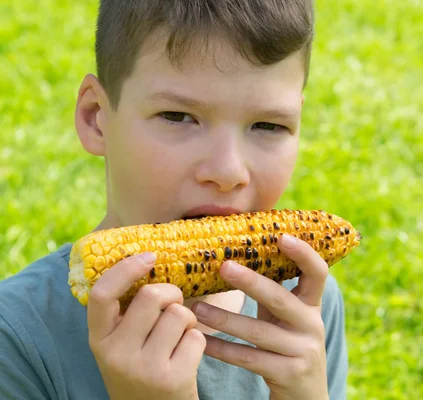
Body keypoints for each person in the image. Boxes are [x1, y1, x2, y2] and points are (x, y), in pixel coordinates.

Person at [0, 0, 349, 399]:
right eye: (178, 116)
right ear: (97, 115)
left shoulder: (302, 307)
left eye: (268, 124)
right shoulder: (16, 339)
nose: (228, 171)